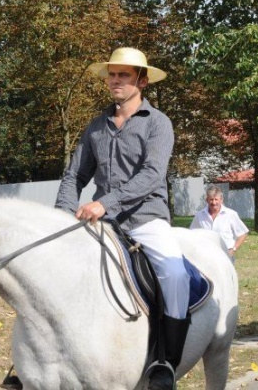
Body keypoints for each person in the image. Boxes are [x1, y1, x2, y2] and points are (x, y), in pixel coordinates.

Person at [55, 47, 189, 390]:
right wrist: (62, 216)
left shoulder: (158, 123)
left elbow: (151, 175)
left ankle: (166, 362)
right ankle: (43, 359)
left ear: (142, 81)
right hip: (105, 224)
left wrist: (104, 203)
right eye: (112, 75)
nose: (115, 81)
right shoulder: (95, 127)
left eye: (124, 75)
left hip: (146, 219)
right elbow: (74, 176)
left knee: (175, 274)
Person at [190, 186, 249, 262]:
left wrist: (233, 249)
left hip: (226, 255)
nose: (214, 203)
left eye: (216, 199)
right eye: (211, 199)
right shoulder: (199, 215)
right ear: (206, 200)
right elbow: (192, 234)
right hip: (206, 255)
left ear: (221, 200)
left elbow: (243, 233)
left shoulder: (230, 214)